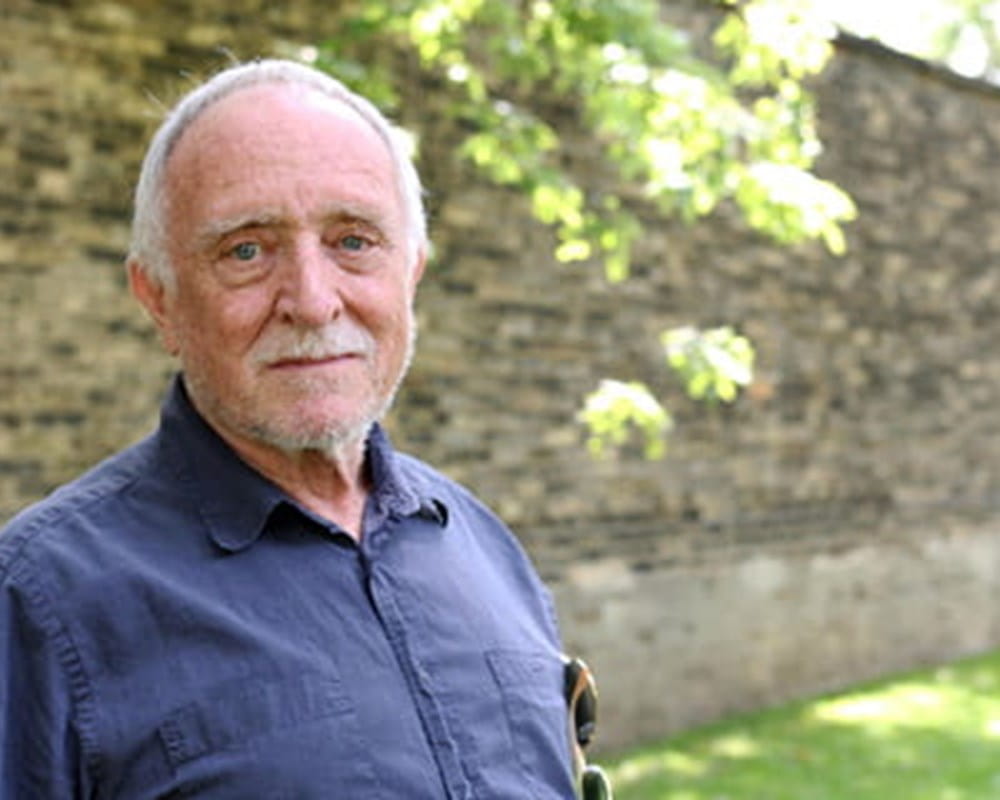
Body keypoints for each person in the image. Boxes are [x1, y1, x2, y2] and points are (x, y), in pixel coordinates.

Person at [0, 58, 579, 798]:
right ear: (159, 298)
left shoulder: (483, 547)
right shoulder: (42, 604)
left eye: (353, 241)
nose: (311, 301)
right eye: (246, 251)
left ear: (412, 271)